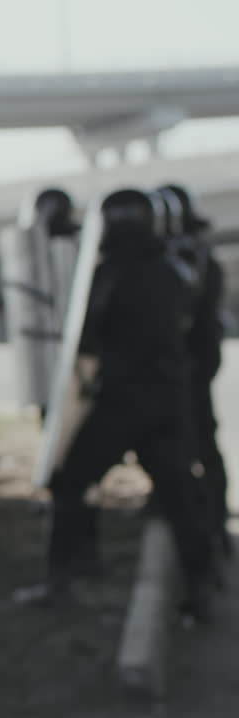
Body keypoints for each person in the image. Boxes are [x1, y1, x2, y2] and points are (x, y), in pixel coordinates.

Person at [14, 189, 215, 619]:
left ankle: (64, 578)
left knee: (68, 484)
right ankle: (202, 590)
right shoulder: (174, 270)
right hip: (169, 402)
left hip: (124, 401)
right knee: (180, 497)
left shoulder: (109, 275)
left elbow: (86, 341)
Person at [159, 183, 230, 558]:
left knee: (196, 447)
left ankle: (211, 528)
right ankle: (211, 526)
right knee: (193, 447)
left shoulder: (185, 257)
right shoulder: (191, 255)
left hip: (188, 367)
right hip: (188, 366)